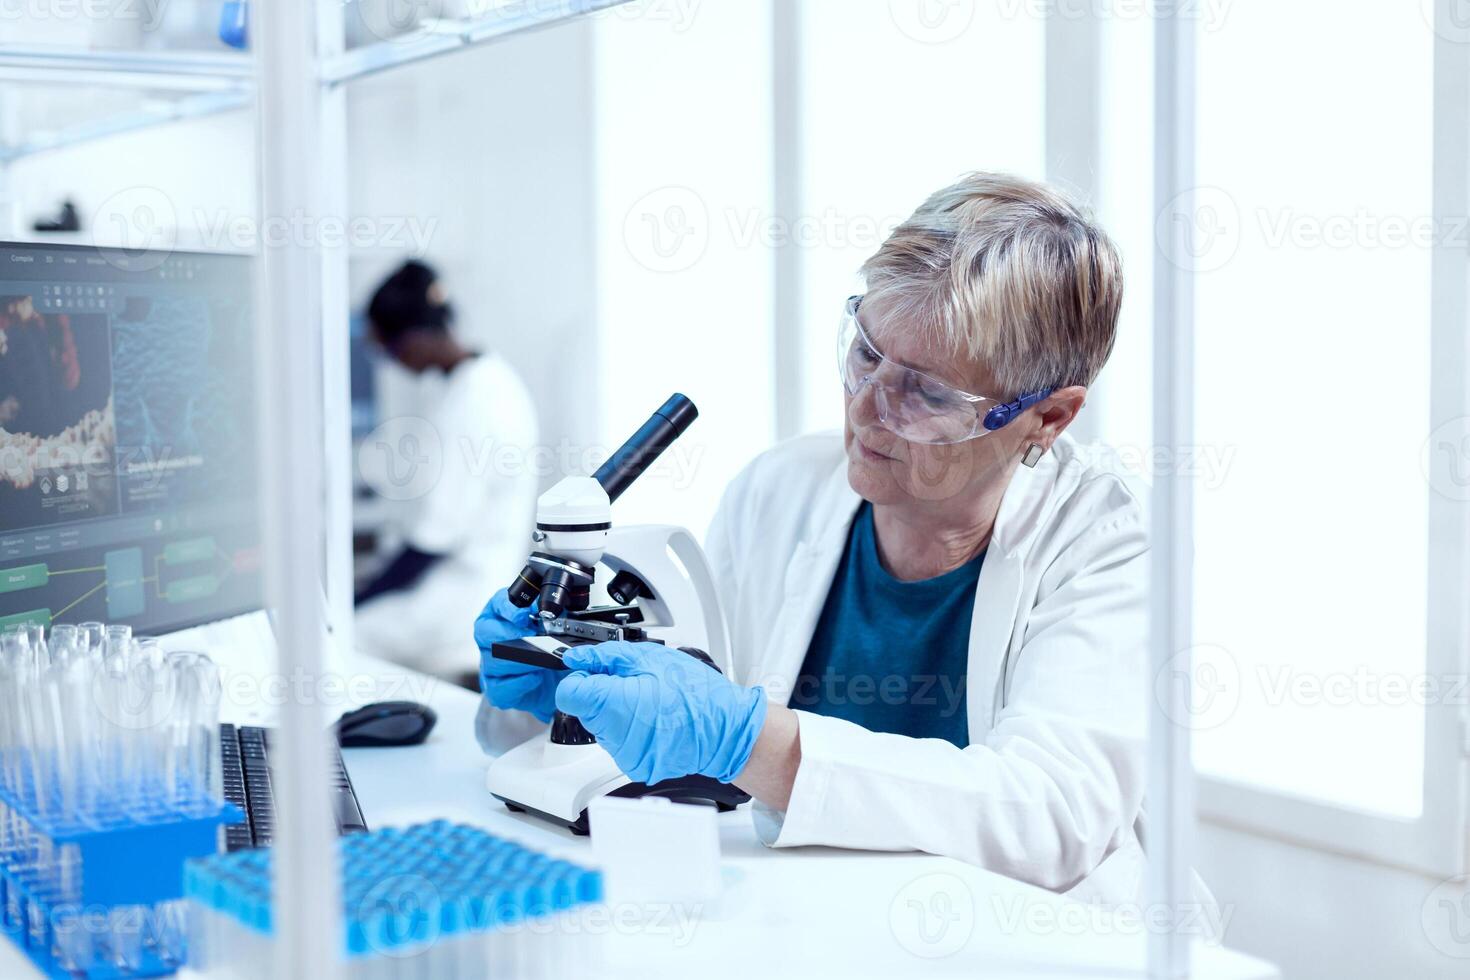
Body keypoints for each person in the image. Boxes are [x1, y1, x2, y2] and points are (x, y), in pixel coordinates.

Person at [475, 174, 1152, 901]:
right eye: (865, 351)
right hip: (815, 925)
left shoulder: (1111, 542)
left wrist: (750, 740)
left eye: (925, 393)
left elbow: (1051, 817)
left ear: (1047, 417)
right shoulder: (780, 490)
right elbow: (689, 763)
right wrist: (567, 703)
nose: (865, 409)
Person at [356, 260, 538, 680]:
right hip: (472, 586)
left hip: (453, 606)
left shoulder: (473, 402)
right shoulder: (485, 380)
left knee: (334, 637)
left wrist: (359, 597)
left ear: (415, 337)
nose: (392, 362)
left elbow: (432, 542)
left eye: (390, 349)